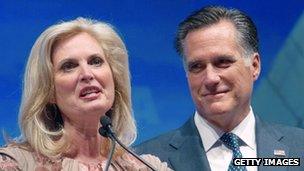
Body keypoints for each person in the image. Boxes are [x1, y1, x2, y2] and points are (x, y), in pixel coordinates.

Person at [135, 6, 304, 171]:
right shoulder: (143, 161)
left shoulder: (299, 149)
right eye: (197, 66)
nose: (210, 78)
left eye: (223, 62)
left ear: (254, 66)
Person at [0, 17, 171, 171]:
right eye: (69, 66)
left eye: (95, 62)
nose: (87, 74)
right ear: (48, 91)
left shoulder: (149, 167)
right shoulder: (16, 164)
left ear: (114, 78)